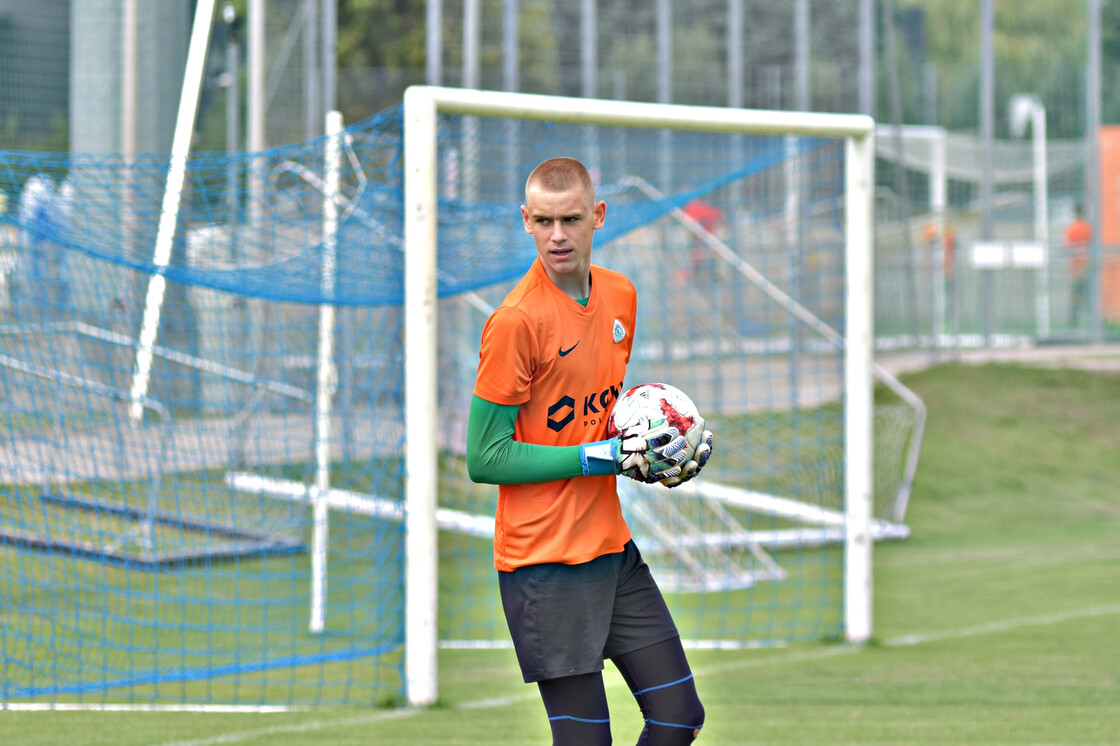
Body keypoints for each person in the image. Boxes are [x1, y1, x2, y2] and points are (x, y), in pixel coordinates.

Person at [467, 157, 713, 745]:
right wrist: (597, 456)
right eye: (544, 221)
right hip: (544, 564)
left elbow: (602, 409)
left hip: (611, 549)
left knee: (679, 715)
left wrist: (660, 443)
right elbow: (485, 457)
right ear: (525, 220)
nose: (558, 235)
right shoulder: (516, 322)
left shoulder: (621, 297)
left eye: (571, 219)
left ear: (597, 217)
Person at [1065, 203, 1092, 327]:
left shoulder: (1072, 228)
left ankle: (1074, 321)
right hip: (1087, 265)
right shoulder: (1087, 227)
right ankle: (1090, 320)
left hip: (1076, 266)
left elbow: (1067, 246)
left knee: (1076, 294)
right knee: (1087, 293)